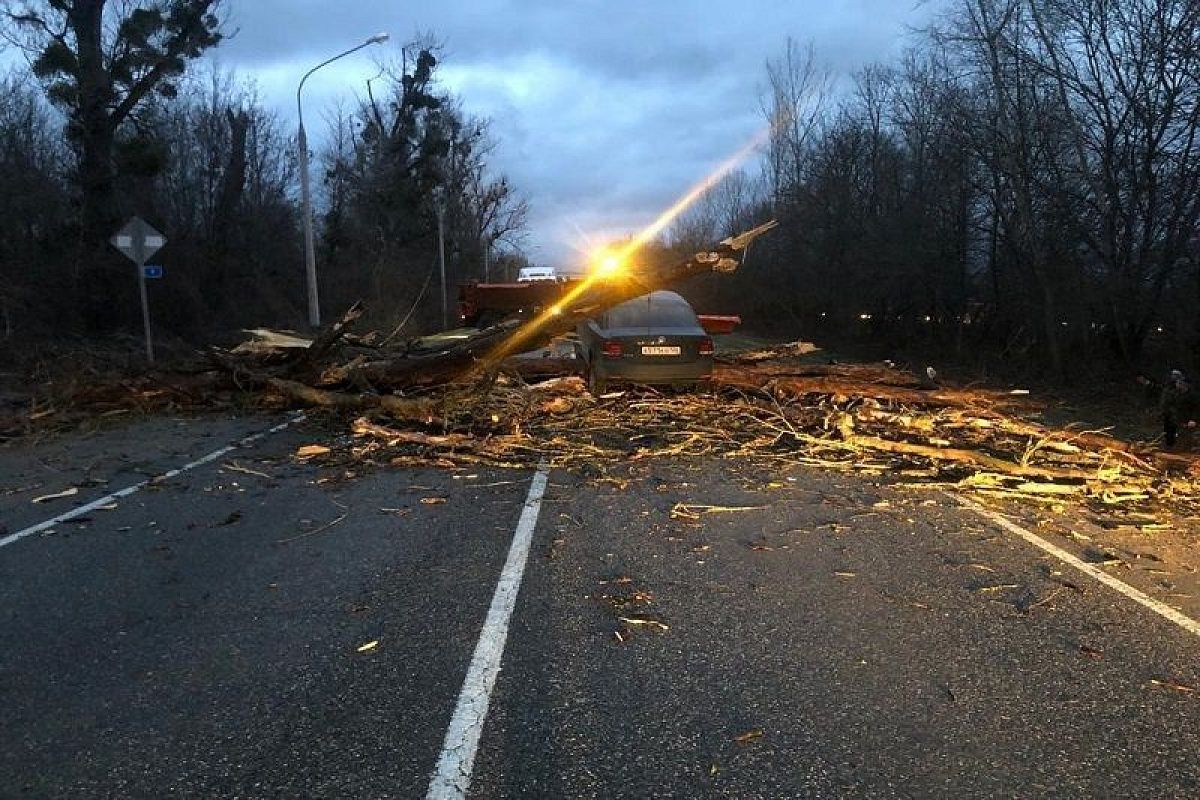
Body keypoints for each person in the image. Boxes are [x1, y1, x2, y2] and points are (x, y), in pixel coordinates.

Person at [1160, 369, 1197, 448]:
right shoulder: (1173, 392)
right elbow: (1168, 404)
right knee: (1170, 436)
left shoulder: (1191, 395)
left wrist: (1193, 419)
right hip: (1175, 419)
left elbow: (1196, 408)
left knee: (1185, 439)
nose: (1177, 384)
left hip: (1187, 420)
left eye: (1179, 382)